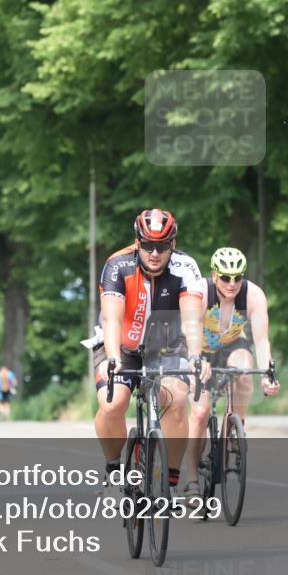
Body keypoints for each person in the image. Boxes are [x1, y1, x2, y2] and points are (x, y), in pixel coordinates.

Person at [91, 208, 210, 489]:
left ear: (172, 244)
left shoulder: (186, 267)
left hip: (167, 348)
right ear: (137, 242)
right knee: (112, 404)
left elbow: (192, 320)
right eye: (147, 246)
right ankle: (113, 469)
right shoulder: (117, 265)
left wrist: (196, 356)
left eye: (161, 246)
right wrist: (112, 357)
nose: (154, 253)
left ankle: (170, 480)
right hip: (121, 345)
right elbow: (112, 320)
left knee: (177, 400)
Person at [182, 247, 279, 499]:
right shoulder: (202, 293)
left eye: (238, 277)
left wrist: (268, 374)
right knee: (200, 412)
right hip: (200, 349)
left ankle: (236, 429)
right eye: (226, 277)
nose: (232, 283)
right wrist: (196, 361)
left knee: (244, 370)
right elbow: (190, 329)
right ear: (215, 275)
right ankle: (191, 476)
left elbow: (261, 341)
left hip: (232, 345)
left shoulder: (254, 295)